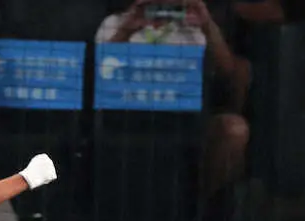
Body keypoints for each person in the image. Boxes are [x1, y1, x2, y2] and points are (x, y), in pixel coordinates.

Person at [96, 0, 251, 202]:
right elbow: (99, 73)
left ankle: (201, 211)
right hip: (127, 123)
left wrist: (206, 24)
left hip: (186, 122)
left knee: (234, 129)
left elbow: (227, 71)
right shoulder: (115, 23)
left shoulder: (192, 28)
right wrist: (127, 30)